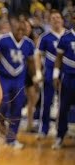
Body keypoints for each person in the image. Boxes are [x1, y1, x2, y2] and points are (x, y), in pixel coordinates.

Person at [0, 17, 37, 149]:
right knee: (2, 105)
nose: (20, 31)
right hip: (3, 78)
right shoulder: (3, 39)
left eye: (24, 29)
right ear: (13, 27)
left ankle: (11, 139)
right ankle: (0, 126)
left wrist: (35, 77)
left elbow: (31, 62)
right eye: (18, 28)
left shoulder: (29, 44)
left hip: (19, 79)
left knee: (17, 108)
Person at [36, 10, 66, 139]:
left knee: (64, 102)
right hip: (49, 72)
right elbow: (38, 55)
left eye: (58, 17)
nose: (56, 19)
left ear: (62, 20)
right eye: (53, 18)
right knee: (46, 102)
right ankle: (44, 129)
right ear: (49, 21)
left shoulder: (69, 36)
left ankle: (61, 130)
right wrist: (38, 71)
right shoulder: (45, 37)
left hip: (67, 73)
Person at [52, 10, 75, 149]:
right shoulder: (65, 37)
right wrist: (55, 75)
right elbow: (58, 58)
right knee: (63, 108)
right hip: (68, 77)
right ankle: (60, 136)